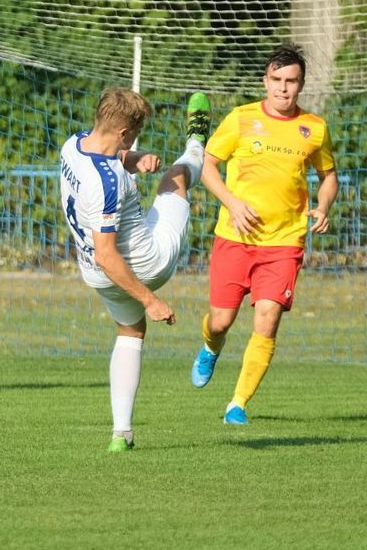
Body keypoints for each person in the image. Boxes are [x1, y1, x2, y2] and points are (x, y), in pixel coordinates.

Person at [190, 44, 338, 425]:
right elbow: (208, 166)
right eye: (276, 80)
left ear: (301, 85)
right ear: (265, 81)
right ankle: (210, 346)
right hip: (234, 238)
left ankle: (237, 404)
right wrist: (232, 202)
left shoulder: (315, 128)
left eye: (291, 81)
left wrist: (323, 206)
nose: (283, 89)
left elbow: (329, 176)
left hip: (285, 242)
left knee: (268, 316)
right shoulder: (240, 119)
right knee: (221, 321)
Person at [59, 86, 212, 452]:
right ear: (124, 132)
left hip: (94, 273)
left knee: (130, 332)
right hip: (145, 263)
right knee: (175, 177)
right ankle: (198, 140)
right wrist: (150, 300)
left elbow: (115, 158)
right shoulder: (105, 185)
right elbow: (109, 254)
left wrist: (137, 158)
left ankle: (121, 434)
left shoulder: (74, 144)